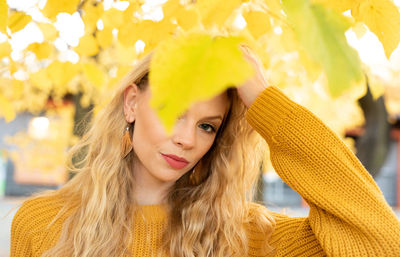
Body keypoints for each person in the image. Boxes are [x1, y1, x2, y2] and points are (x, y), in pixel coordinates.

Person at [10, 45, 400, 257]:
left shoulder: (244, 234)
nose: (187, 139)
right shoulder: (41, 223)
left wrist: (264, 101)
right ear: (132, 103)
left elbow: (382, 243)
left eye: (207, 126)